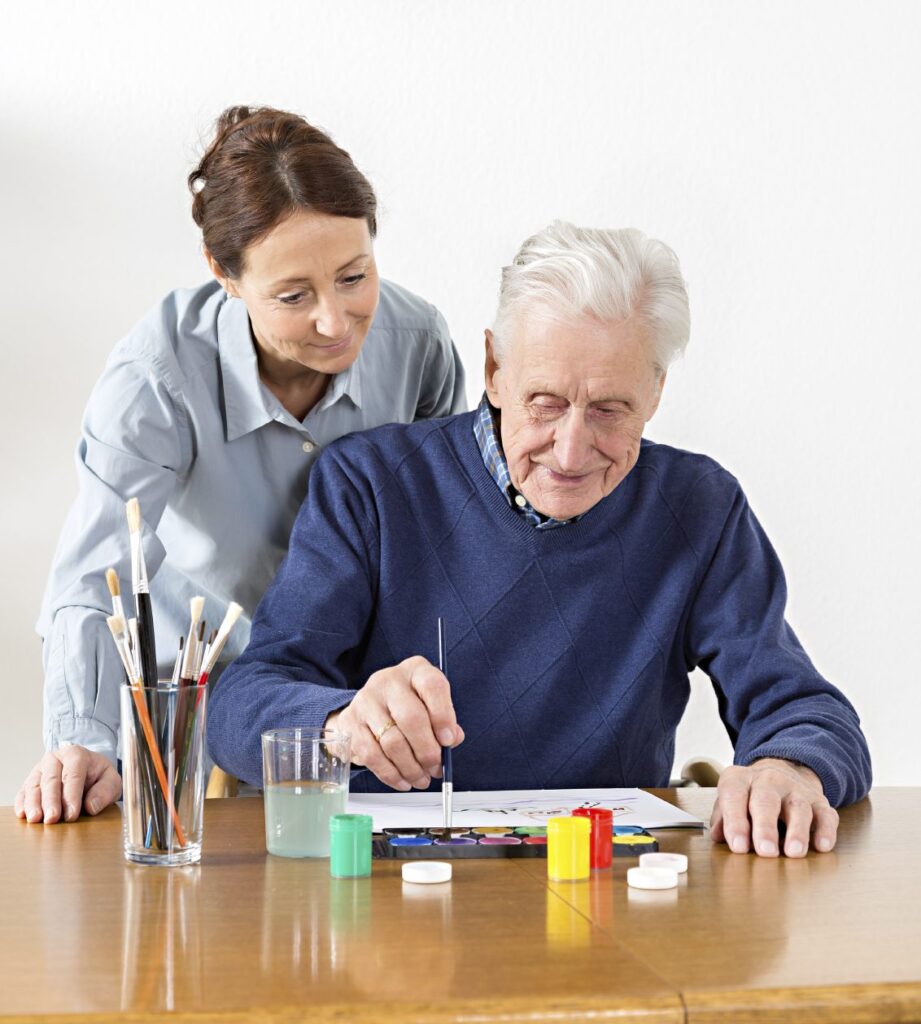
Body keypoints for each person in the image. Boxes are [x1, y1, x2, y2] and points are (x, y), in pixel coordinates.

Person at [208, 221, 872, 858]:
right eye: (545, 403)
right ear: (494, 367)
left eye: (610, 409)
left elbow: (802, 704)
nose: (571, 449)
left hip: (605, 889)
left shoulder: (698, 506)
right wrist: (340, 722)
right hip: (390, 895)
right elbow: (240, 703)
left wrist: (789, 766)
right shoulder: (370, 483)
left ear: (656, 390)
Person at [15, 106, 466, 825]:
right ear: (223, 275)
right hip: (190, 714)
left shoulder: (417, 344)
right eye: (293, 296)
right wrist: (83, 740)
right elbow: (93, 575)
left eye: (354, 276)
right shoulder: (157, 378)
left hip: (346, 713)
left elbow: (443, 531)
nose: (334, 320)